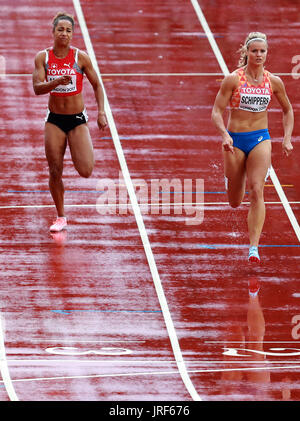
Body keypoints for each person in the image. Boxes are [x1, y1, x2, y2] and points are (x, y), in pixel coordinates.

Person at [211, 32, 294, 262]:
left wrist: (286, 138)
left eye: (262, 51)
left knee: (257, 189)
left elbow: (287, 110)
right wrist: (224, 134)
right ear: (246, 53)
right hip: (235, 141)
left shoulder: (274, 81)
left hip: (260, 138)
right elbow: (216, 111)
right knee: (235, 201)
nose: (258, 54)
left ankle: (254, 247)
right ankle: (231, 179)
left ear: (267, 54)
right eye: (254, 51)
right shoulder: (233, 79)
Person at [32, 12, 107, 232]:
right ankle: (61, 217)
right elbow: (37, 88)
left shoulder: (80, 57)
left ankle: (79, 148)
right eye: (60, 29)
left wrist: (101, 112)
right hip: (54, 120)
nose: (64, 33)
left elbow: (97, 85)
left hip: (76, 119)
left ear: (72, 34)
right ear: (53, 31)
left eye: (68, 30)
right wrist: (55, 82)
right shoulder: (43, 57)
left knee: (85, 170)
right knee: (54, 170)